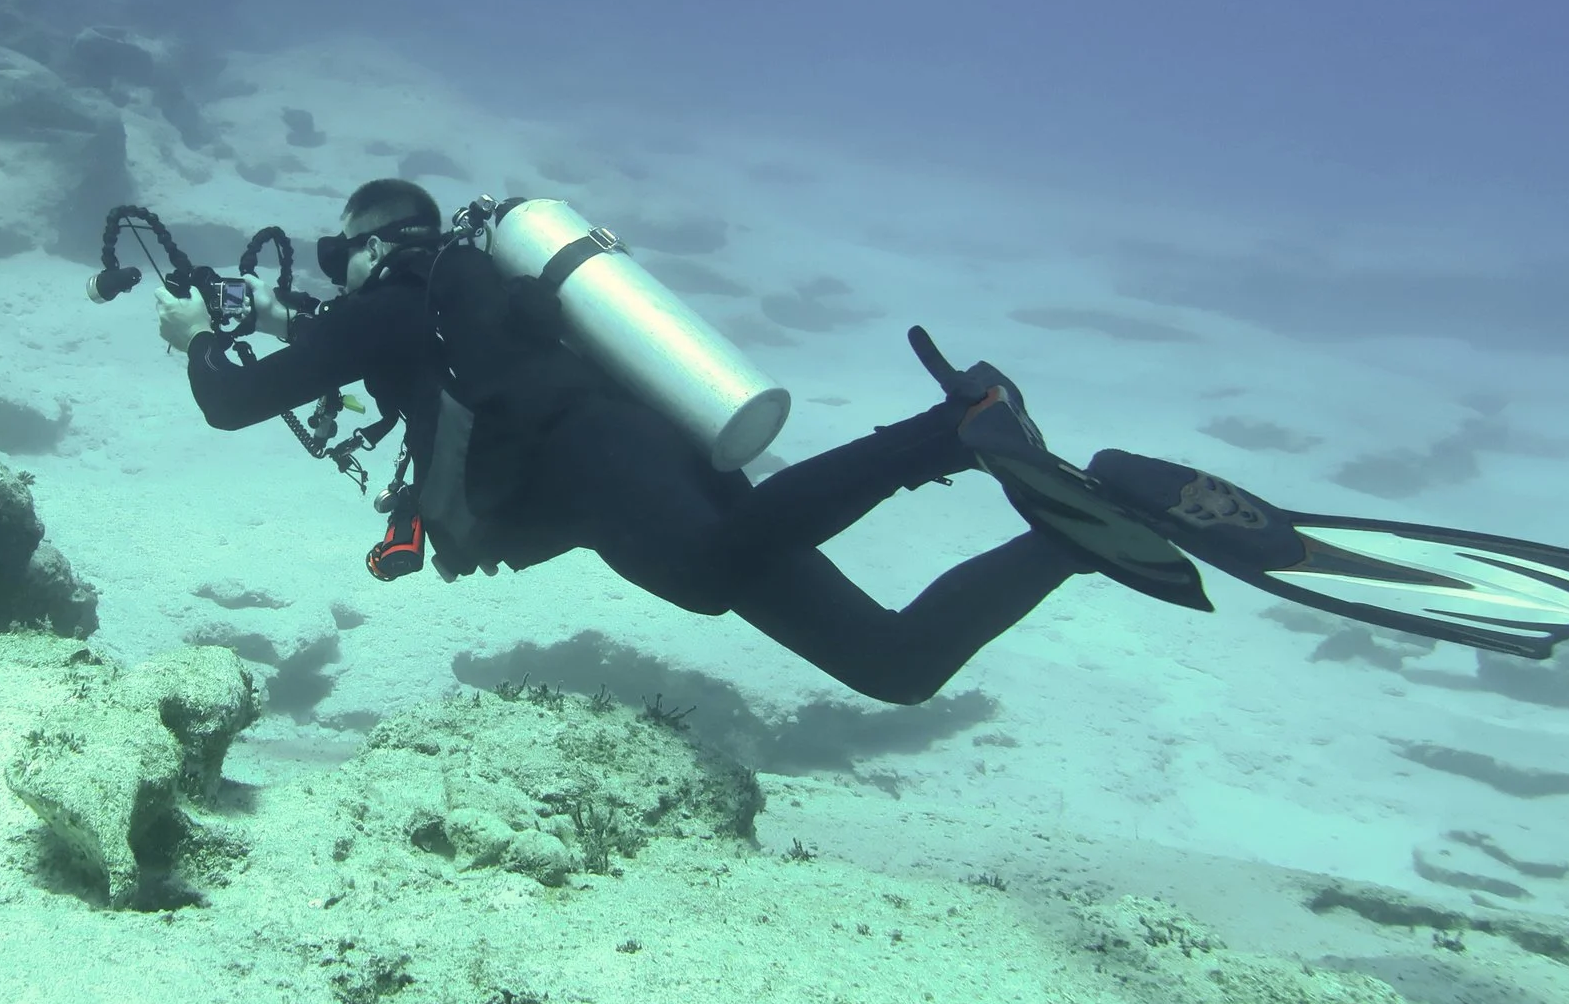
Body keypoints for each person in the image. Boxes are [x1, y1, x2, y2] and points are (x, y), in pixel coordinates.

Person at [155, 178, 1087, 706]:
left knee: (712, 572)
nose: (339, 275)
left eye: (341, 253)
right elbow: (363, 345)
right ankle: (1072, 539)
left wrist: (195, 332)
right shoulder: (446, 299)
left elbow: (234, 403)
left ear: (374, 242)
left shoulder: (395, 302)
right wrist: (281, 316)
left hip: (598, 466)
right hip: (641, 446)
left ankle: (951, 430)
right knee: (895, 665)